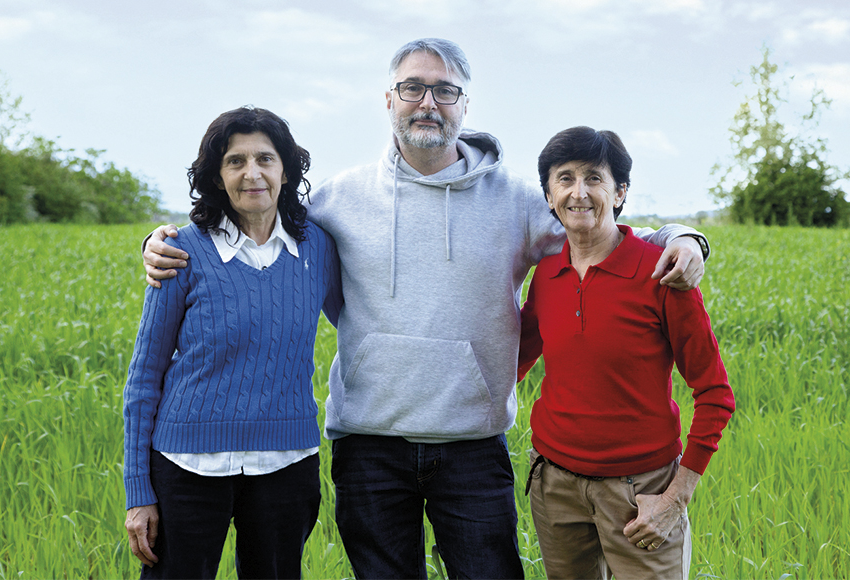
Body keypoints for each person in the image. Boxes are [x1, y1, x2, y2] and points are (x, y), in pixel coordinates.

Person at [141, 39, 710, 579]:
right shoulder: (338, 200)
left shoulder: (516, 200)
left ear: (465, 104)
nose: (428, 103)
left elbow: (598, 224)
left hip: (471, 444)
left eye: (445, 91)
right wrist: (162, 242)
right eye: (412, 88)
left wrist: (684, 237)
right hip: (368, 444)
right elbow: (255, 220)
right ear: (389, 100)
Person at [123, 106, 341, 579]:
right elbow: (144, 376)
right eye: (235, 161)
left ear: (286, 170)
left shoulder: (319, 247)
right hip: (186, 465)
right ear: (217, 178)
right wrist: (138, 491)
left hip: (287, 462)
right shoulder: (180, 250)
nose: (252, 173)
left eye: (265, 158)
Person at [518, 126, 735, 579]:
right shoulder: (547, 273)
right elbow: (515, 360)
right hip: (554, 485)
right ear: (549, 193)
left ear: (619, 192)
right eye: (565, 178)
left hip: (642, 493)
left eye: (594, 178)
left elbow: (715, 393)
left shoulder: (662, 276)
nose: (579, 193)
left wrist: (675, 498)